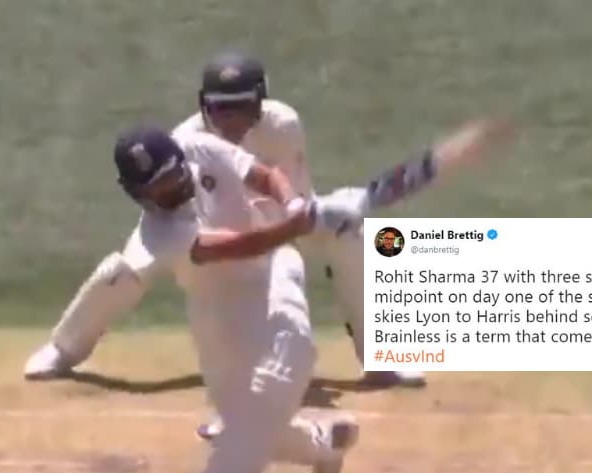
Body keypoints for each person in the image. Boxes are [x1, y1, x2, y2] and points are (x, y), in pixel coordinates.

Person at [71, 124, 362, 473]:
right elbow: (236, 247)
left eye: (171, 178)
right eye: (156, 189)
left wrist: (294, 204)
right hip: (216, 311)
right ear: (137, 193)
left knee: (287, 359)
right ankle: (323, 442)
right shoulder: (157, 235)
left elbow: (265, 176)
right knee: (248, 420)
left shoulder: (199, 146)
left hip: (274, 270)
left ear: (180, 159)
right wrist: (292, 226)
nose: (168, 192)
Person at [172, 50, 426, 389]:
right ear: (204, 105)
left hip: (279, 227)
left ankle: (381, 359)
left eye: (242, 107)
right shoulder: (184, 143)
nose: (231, 120)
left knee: (350, 234)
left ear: (260, 100)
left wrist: (324, 212)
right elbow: (206, 233)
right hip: (219, 252)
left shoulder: (282, 124)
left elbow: (294, 202)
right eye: (221, 108)